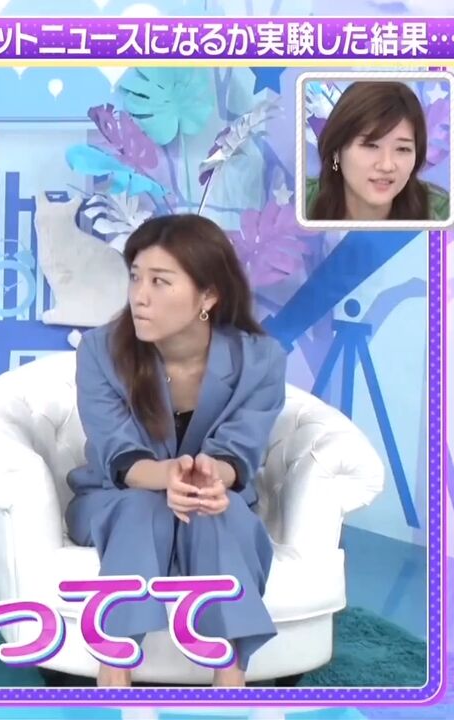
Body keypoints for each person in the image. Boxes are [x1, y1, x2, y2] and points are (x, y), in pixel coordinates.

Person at [65, 213, 287, 688]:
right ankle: (114, 674)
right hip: (117, 497)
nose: (139, 296)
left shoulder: (259, 360)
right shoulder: (100, 351)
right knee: (142, 508)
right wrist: (167, 476)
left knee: (216, 513)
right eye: (135, 277)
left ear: (208, 295)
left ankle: (230, 680)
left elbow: (242, 448)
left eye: (160, 281)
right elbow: (116, 450)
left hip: (214, 498)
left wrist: (210, 478)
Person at [306, 80, 450, 222]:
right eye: (371, 146)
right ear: (337, 150)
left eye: (402, 149)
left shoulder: (443, 214)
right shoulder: (300, 202)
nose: (387, 166)